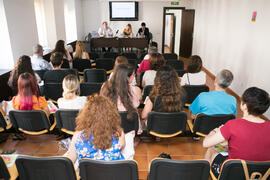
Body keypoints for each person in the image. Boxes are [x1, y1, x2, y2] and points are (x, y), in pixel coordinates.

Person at [203, 87, 270, 178]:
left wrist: (215, 131)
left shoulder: (233, 125)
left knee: (211, 149)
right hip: (262, 175)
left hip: (232, 174)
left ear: (244, 106)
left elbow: (206, 143)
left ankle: (206, 175)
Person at [66, 94, 125, 162]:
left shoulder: (78, 135)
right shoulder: (119, 133)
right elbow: (121, 148)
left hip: (88, 172)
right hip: (114, 171)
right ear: (111, 114)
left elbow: (70, 160)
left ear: (86, 114)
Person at [100, 64, 141, 160]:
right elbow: (136, 105)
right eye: (133, 75)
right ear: (127, 77)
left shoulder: (105, 87)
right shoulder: (133, 90)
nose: (134, 77)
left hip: (108, 126)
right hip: (127, 128)